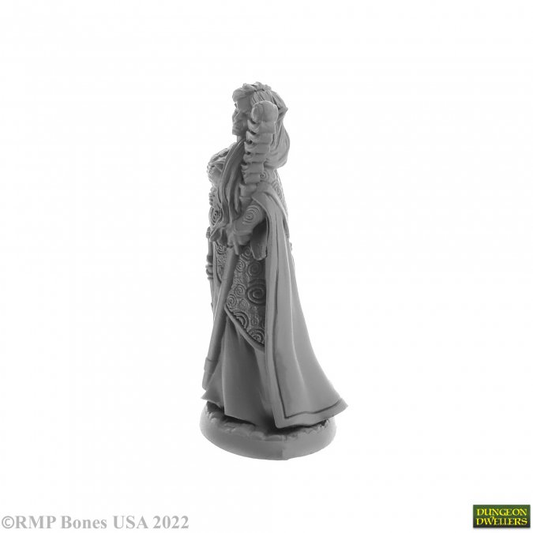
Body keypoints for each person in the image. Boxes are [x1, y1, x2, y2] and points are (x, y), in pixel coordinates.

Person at [202, 82, 346, 430]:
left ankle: (267, 403)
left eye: (242, 112)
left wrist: (242, 225)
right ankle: (234, 398)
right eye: (235, 111)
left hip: (254, 266)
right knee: (230, 327)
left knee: (258, 332)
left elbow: (266, 202)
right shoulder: (234, 158)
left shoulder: (261, 168)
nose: (235, 117)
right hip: (227, 259)